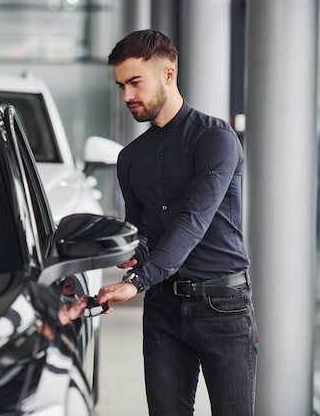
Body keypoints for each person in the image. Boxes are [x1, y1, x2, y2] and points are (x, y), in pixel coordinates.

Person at [96, 29, 258, 416]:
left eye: (135, 82)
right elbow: (143, 233)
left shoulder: (215, 140)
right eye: (120, 86)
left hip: (223, 305)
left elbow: (192, 222)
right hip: (164, 306)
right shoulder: (131, 158)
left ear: (168, 74)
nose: (127, 97)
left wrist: (136, 282)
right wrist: (128, 253)